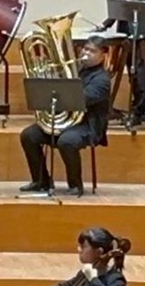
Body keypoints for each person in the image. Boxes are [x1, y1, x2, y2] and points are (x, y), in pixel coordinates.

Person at [19, 35, 113, 197]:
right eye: (85, 49)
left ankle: (75, 185)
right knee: (28, 135)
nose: (86, 53)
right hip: (66, 120)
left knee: (67, 141)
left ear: (103, 55)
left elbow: (81, 100)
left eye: (92, 51)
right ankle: (41, 181)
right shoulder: (74, 70)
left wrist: (60, 91)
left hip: (87, 124)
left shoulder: (102, 79)